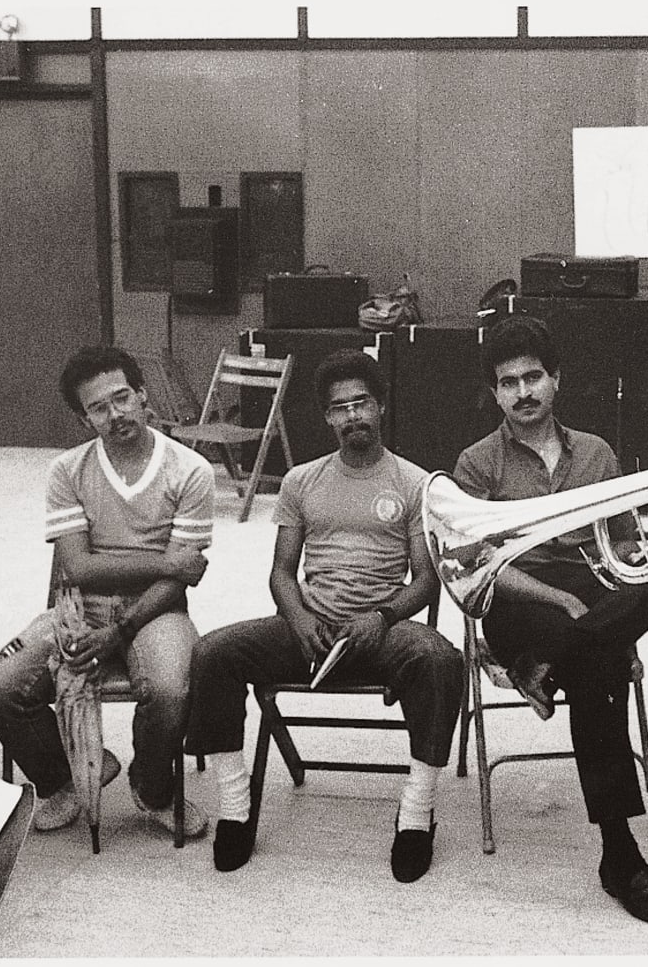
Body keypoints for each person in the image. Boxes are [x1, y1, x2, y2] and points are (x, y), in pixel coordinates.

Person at [452, 314, 648, 929]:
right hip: (519, 603)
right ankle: (621, 857)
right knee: (599, 662)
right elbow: (477, 566)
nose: (523, 392)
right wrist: (567, 605)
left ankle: (546, 669)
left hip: (589, 597)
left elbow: (622, 543)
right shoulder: (477, 465)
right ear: (495, 392)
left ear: (557, 380)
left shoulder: (597, 453)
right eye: (509, 383)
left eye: (534, 377)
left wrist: (620, 602)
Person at [186, 349, 462, 883]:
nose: (353, 415)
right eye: (340, 408)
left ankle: (415, 813)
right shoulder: (301, 481)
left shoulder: (413, 483)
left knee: (438, 658)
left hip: (382, 630)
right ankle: (235, 806)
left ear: (380, 407)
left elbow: (426, 580)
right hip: (311, 629)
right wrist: (297, 618)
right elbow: (282, 573)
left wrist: (381, 618)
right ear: (327, 418)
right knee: (214, 652)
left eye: (362, 403)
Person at [0, 346, 214, 840]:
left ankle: (152, 786)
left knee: (170, 689)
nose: (115, 415)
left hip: (156, 609)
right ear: (83, 418)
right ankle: (67, 778)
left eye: (122, 398)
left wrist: (122, 629)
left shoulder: (191, 470)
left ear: (142, 396)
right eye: (98, 407)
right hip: (78, 608)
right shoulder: (68, 471)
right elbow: (78, 567)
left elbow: (178, 581)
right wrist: (165, 561)